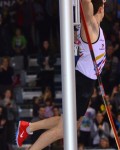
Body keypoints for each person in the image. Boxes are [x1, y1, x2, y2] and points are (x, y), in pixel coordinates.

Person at [16, 0, 106, 149]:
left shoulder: (97, 25)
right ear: (100, 8)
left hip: (87, 84)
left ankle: (28, 127)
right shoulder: (90, 26)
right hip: (81, 83)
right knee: (63, 130)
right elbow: (86, 5)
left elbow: (95, 10)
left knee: (72, 124)